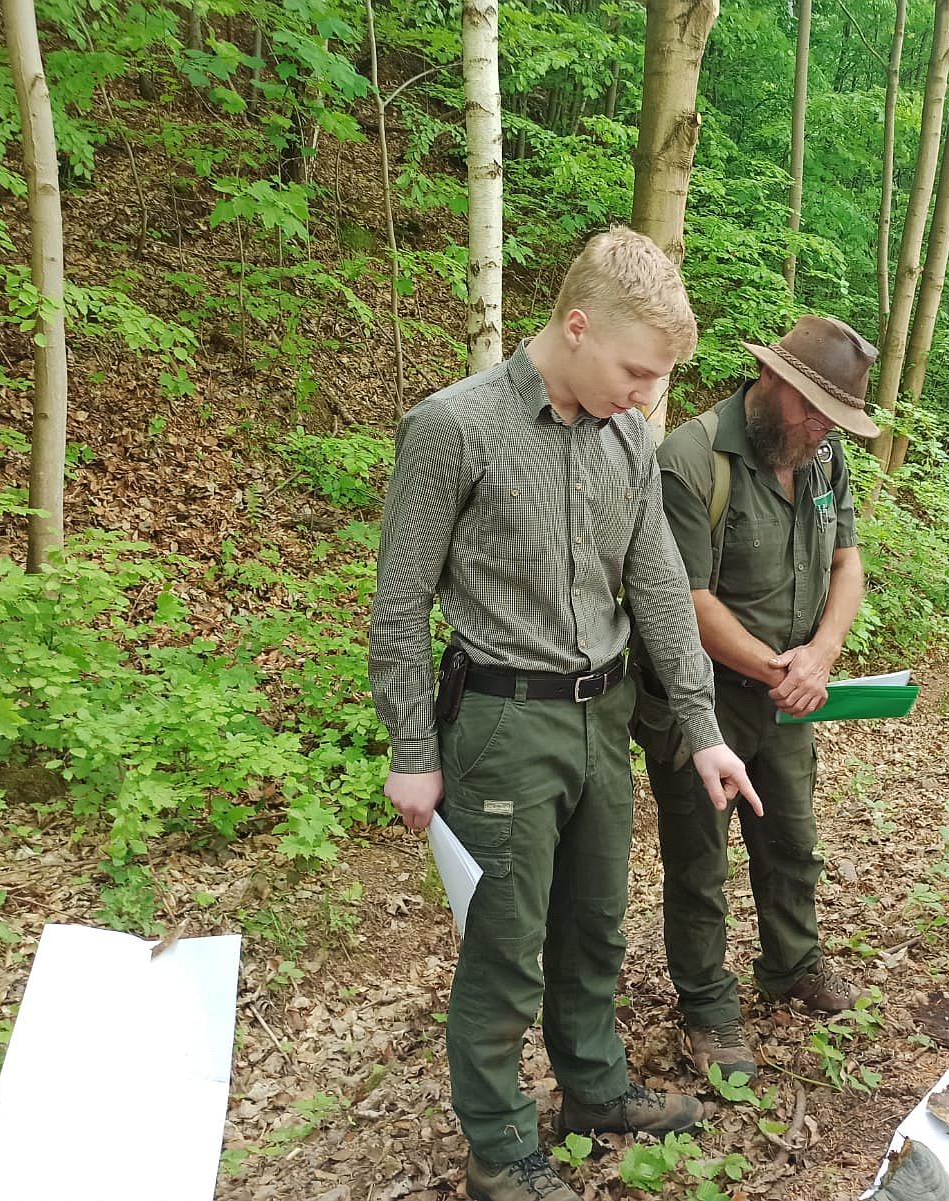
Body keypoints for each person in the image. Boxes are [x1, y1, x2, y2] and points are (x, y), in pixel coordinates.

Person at [369, 227, 762, 1201]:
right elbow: (398, 601)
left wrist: (704, 729)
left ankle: (593, 1089)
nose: (648, 393)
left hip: (603, 718)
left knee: (593, 926)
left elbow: (659, 588)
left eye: (660, 378)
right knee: (505, 948)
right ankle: (500, 1149)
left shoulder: (627, 437)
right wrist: (412, 746)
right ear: (576, 327)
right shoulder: (453, 427)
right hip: (503, 722)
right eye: (637, 370)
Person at [633, 315, 875, 1086]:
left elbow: (847, 565)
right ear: (771, 378)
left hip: (791, 696)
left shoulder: (824, 458)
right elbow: (684, 600)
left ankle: (792, 962)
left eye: (835, 417)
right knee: (699, 861)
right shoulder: (692, 460)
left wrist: (821, 653)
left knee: (792, 842)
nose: (820, 427)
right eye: (811, 408)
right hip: (701, 701)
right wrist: (779, 668)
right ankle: (707, 1003)